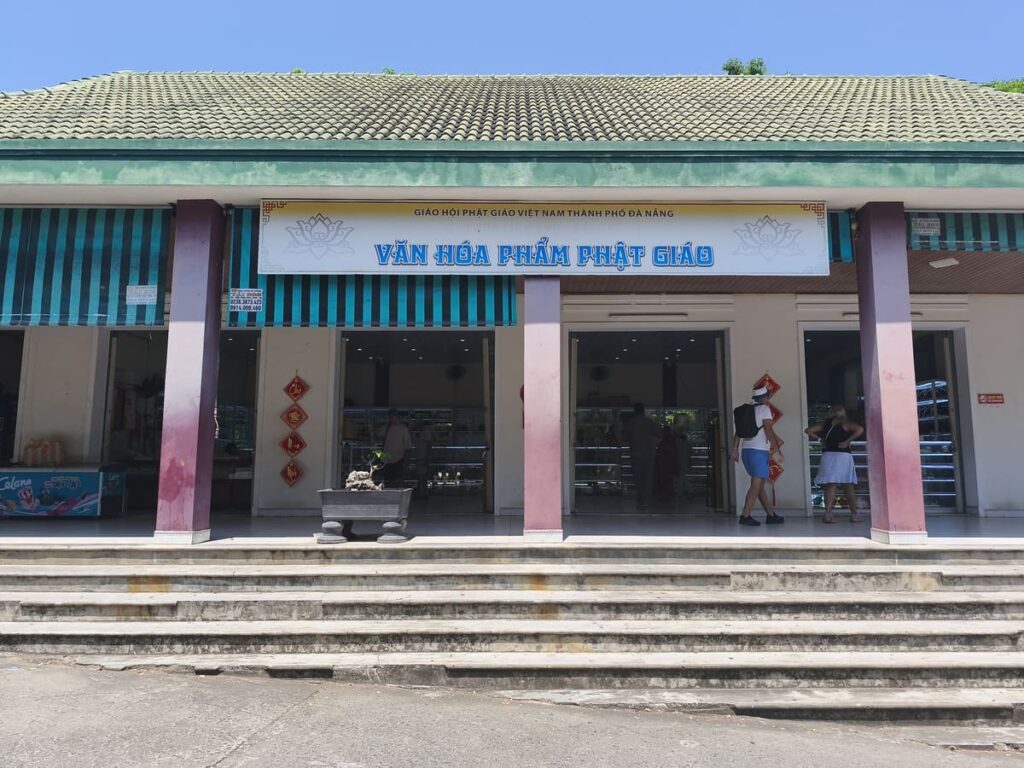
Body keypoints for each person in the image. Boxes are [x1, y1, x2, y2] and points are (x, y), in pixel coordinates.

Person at [731, 386, 785, 526]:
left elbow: (739, 432)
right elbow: (768, 428)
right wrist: (776, 447)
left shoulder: (747, 410)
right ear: (765, 397)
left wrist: (735, 448)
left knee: (759, 485)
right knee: (756, 485)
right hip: (759, 451)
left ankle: (771, 515)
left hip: (746, 451)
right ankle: (745, 516)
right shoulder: (764, 409)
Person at [805, 405, 864, 523]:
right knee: (848, 485)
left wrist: (820, 440)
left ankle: (828, 513)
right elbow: (860, 429)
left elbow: (808, 430)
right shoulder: (846, 424)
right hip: (843, 455)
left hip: (828, 455)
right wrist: (847, 441)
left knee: (831, 484)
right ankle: (854, 514)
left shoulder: (825, 424)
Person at [623, 402, 659, 511]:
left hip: (635, 454)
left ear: (635, 411)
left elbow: (625, 437)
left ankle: (640, 501)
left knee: (638, 479)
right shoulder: (649, 422)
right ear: (643, 411)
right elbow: (658, 434)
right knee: (647, 478)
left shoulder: (631, 423)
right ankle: (646, 500)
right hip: (648, 454)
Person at [379, 409, 413, 489]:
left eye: (392, 416)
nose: (391, 418)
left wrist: (407, 460)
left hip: (398, 458)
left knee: (397, 481)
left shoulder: (403, 428)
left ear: (397, 417)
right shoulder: (387, 426)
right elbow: (379, 434)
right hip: (386, 459)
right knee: (388, 482)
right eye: (390, 417)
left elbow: (408, 446)